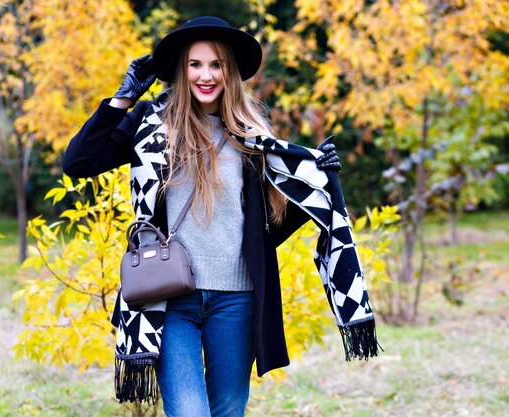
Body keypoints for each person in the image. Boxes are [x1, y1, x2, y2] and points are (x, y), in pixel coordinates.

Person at [63, 16, 378, 417]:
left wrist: (314, 183)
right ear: (182, 69)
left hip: (237, 300)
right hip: (169, 296)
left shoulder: (252, 136)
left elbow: (262, 231)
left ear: (230, 72)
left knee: (228, 410)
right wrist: (122, 99)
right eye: (196, 64)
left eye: (217, 65)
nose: (206, 75)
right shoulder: (149, 123)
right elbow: (78, 161)